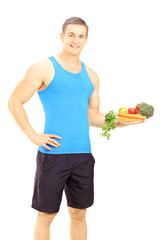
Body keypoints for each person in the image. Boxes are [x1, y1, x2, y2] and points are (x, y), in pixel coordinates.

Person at [8, 16, 125, 240]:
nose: (75, 40)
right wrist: (33, 135)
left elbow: (92, 115)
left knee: (79, 213)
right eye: (71, 35)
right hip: (53, 154)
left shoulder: (91, 75)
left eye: (81, 36)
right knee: (47, 215)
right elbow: (14, 101)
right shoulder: (43, 68)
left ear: (86, 40)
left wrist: (120, 122)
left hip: (83, 155)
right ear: (62, 37)